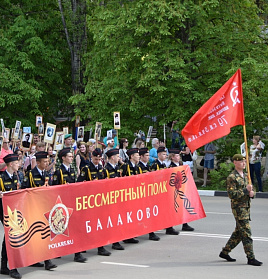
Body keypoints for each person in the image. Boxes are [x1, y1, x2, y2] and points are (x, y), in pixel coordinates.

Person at [219, 154, 262, 266]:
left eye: (244, 161)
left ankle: (225, 252)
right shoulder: (232, 177)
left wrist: (252, 193)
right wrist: (245, 190)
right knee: (246, 233)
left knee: (239, 232)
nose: (244, 163)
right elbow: (232, 194)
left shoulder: (246, 175)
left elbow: (252, 189)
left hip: (246, 207)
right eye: (241, 161)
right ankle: (251, 258)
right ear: (235, 162)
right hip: (239, 208)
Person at [21, 151, 57, 270]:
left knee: (45, 234)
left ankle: (47, 261)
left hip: (44, 207)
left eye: (47, 161)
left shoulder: (46, 173)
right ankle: (33, 259)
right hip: (33, 208)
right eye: (45, 161)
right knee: (34, 236)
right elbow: (23, 190)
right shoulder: (31, 174)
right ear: (38, 162)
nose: (47, 163)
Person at [53, 148, 87, 263]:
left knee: (75, 227)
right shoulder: (59, 172)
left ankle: (77, 253)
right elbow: (54, 188)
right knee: (59, 228)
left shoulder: (72, 170)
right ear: (63, 158)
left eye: (72, 157)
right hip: (61, 204)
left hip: (71, 202)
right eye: (69, 156)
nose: (71, 158)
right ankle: (57, 251)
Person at [77, 148, 111, 256]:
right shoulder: (86, 169)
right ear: (92, 157)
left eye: (99, 159)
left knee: (99, 224)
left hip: (99, 201)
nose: (97, 161)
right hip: (88, 201)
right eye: (96, 159)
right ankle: (84, 245)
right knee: (86, 224)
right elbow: (79, 184)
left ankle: (100, 247)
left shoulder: (101, 168)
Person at [0, 154, 22, 279]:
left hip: (13, 212)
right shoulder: (1, 178)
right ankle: (13, 268)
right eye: (16, 163)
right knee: (12, 236)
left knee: (9, 238)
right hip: (2, 211)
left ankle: (4, 266)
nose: (18, 164)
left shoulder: (15, 176)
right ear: (10, 165)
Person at [151, 147, 179, 235]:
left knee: (167, 209)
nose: (165, 155)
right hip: (157, 191)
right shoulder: (155, 165)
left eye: (166, 154)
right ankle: (153, 230)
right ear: (158, 155)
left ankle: (169, 227)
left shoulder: (164, 165)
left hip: (164, 190)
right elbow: (153, 178)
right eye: (163, 154)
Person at [103, 149, 125, 250]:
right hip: (108, 199)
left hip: (117, 197)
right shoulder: (106, 169)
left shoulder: (117, 168)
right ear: (112, 157)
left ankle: (116, 241)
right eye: (117, 156)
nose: (119, 158)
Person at [168, 149, 194, 232]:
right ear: (172, 157)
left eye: (179, 155)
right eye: (176, 156)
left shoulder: (180, 164)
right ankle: (169, 227)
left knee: (183, 206)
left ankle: (185, 224)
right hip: (174, 190)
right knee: (173, 208)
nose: (178, 157)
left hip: (181, 188)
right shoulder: (171, 167)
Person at [138, 147, 160, 241]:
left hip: (147, 192)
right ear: (141, 156)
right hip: (140, 194)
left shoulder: (147, 166)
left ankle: (151, 232)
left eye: (148, 155)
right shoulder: (139, 166)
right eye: (146, 155)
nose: (148, 157)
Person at [120, 148, 141, 243]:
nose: (139, 157)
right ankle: (126, 235)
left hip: (134, 193)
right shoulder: (125, 166)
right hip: (126, 195)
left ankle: (130, 234)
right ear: (131, 156)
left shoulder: (136, 166)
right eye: (137, 155)